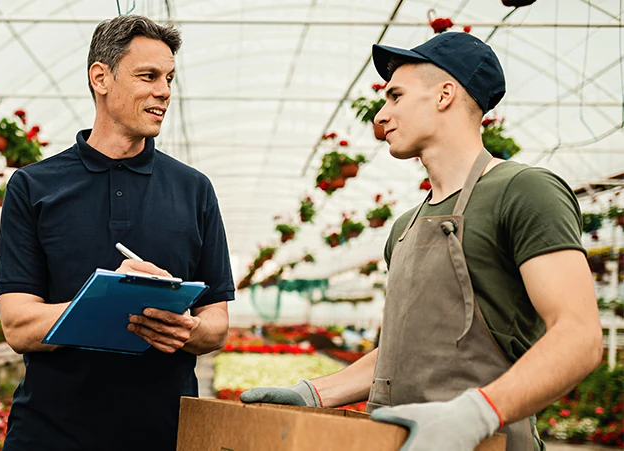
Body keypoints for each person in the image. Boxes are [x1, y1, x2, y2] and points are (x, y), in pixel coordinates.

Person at [241, 32, 604, 451]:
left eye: (395, 96)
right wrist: (314, 394)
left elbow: (579, 337)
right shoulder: (404, 228)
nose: (381, 114)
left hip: (489, 443)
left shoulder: (523, 190)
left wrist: (474, 414)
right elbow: (399, 357)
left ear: (445, 94)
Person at [0, 14, 234, 451]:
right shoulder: (34, 186)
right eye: (148, 76)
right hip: (49, 434)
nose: (164, 91)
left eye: (169, 78)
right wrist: (107, 302)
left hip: (166, 434)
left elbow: (216, 324)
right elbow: (18, 325)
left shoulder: (194, 189)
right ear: (100, 78)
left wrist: (183, 326)